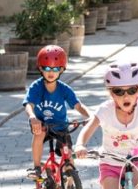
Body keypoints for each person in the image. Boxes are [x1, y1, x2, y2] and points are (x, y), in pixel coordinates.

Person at [23, 44, 91, 181]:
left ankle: (72, 183)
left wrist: (90, 116)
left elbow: (78, 105)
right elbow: (28, 104)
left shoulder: (64, 89)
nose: (51, 72)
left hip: (61, 127)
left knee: (68, 155)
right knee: (39, 132)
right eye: (47, 68)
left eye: (55, 69)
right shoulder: (36, 87)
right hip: (42, 125)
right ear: (41, 69)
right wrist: (32, 117)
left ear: (62, 70)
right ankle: (37, 167)